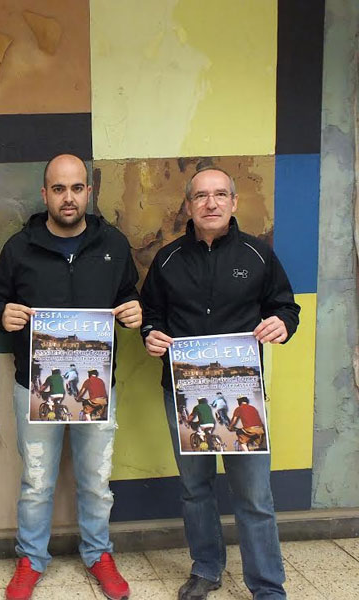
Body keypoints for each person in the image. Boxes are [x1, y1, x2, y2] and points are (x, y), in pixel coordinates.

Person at [141, 165, 300, 600]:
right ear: (188, 205)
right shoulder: (167, 259)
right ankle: (206, 568)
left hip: (241, 394)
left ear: (233, 202)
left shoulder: (258, 255)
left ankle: (267, 586)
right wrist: (150, 334)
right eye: (201, 196)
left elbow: (286, 308)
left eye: (219, 195)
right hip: (185, 393)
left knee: (254, 494)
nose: (210, 203)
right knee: (195, 488)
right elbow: (151, 315)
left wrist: (282, 324)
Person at [0, 154, 142, 600]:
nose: (68, 198)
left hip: (98, 387)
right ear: (45, 194)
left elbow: (128, 294)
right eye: (59, 189)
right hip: (35, 386)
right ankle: (31, 559)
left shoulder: (113, 244)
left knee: (97, 479)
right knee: (37, 481)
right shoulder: (19, 248)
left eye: (76, 188)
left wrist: (134, 310)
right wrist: (3, 314)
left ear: (88, 192)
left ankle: (98, 553)